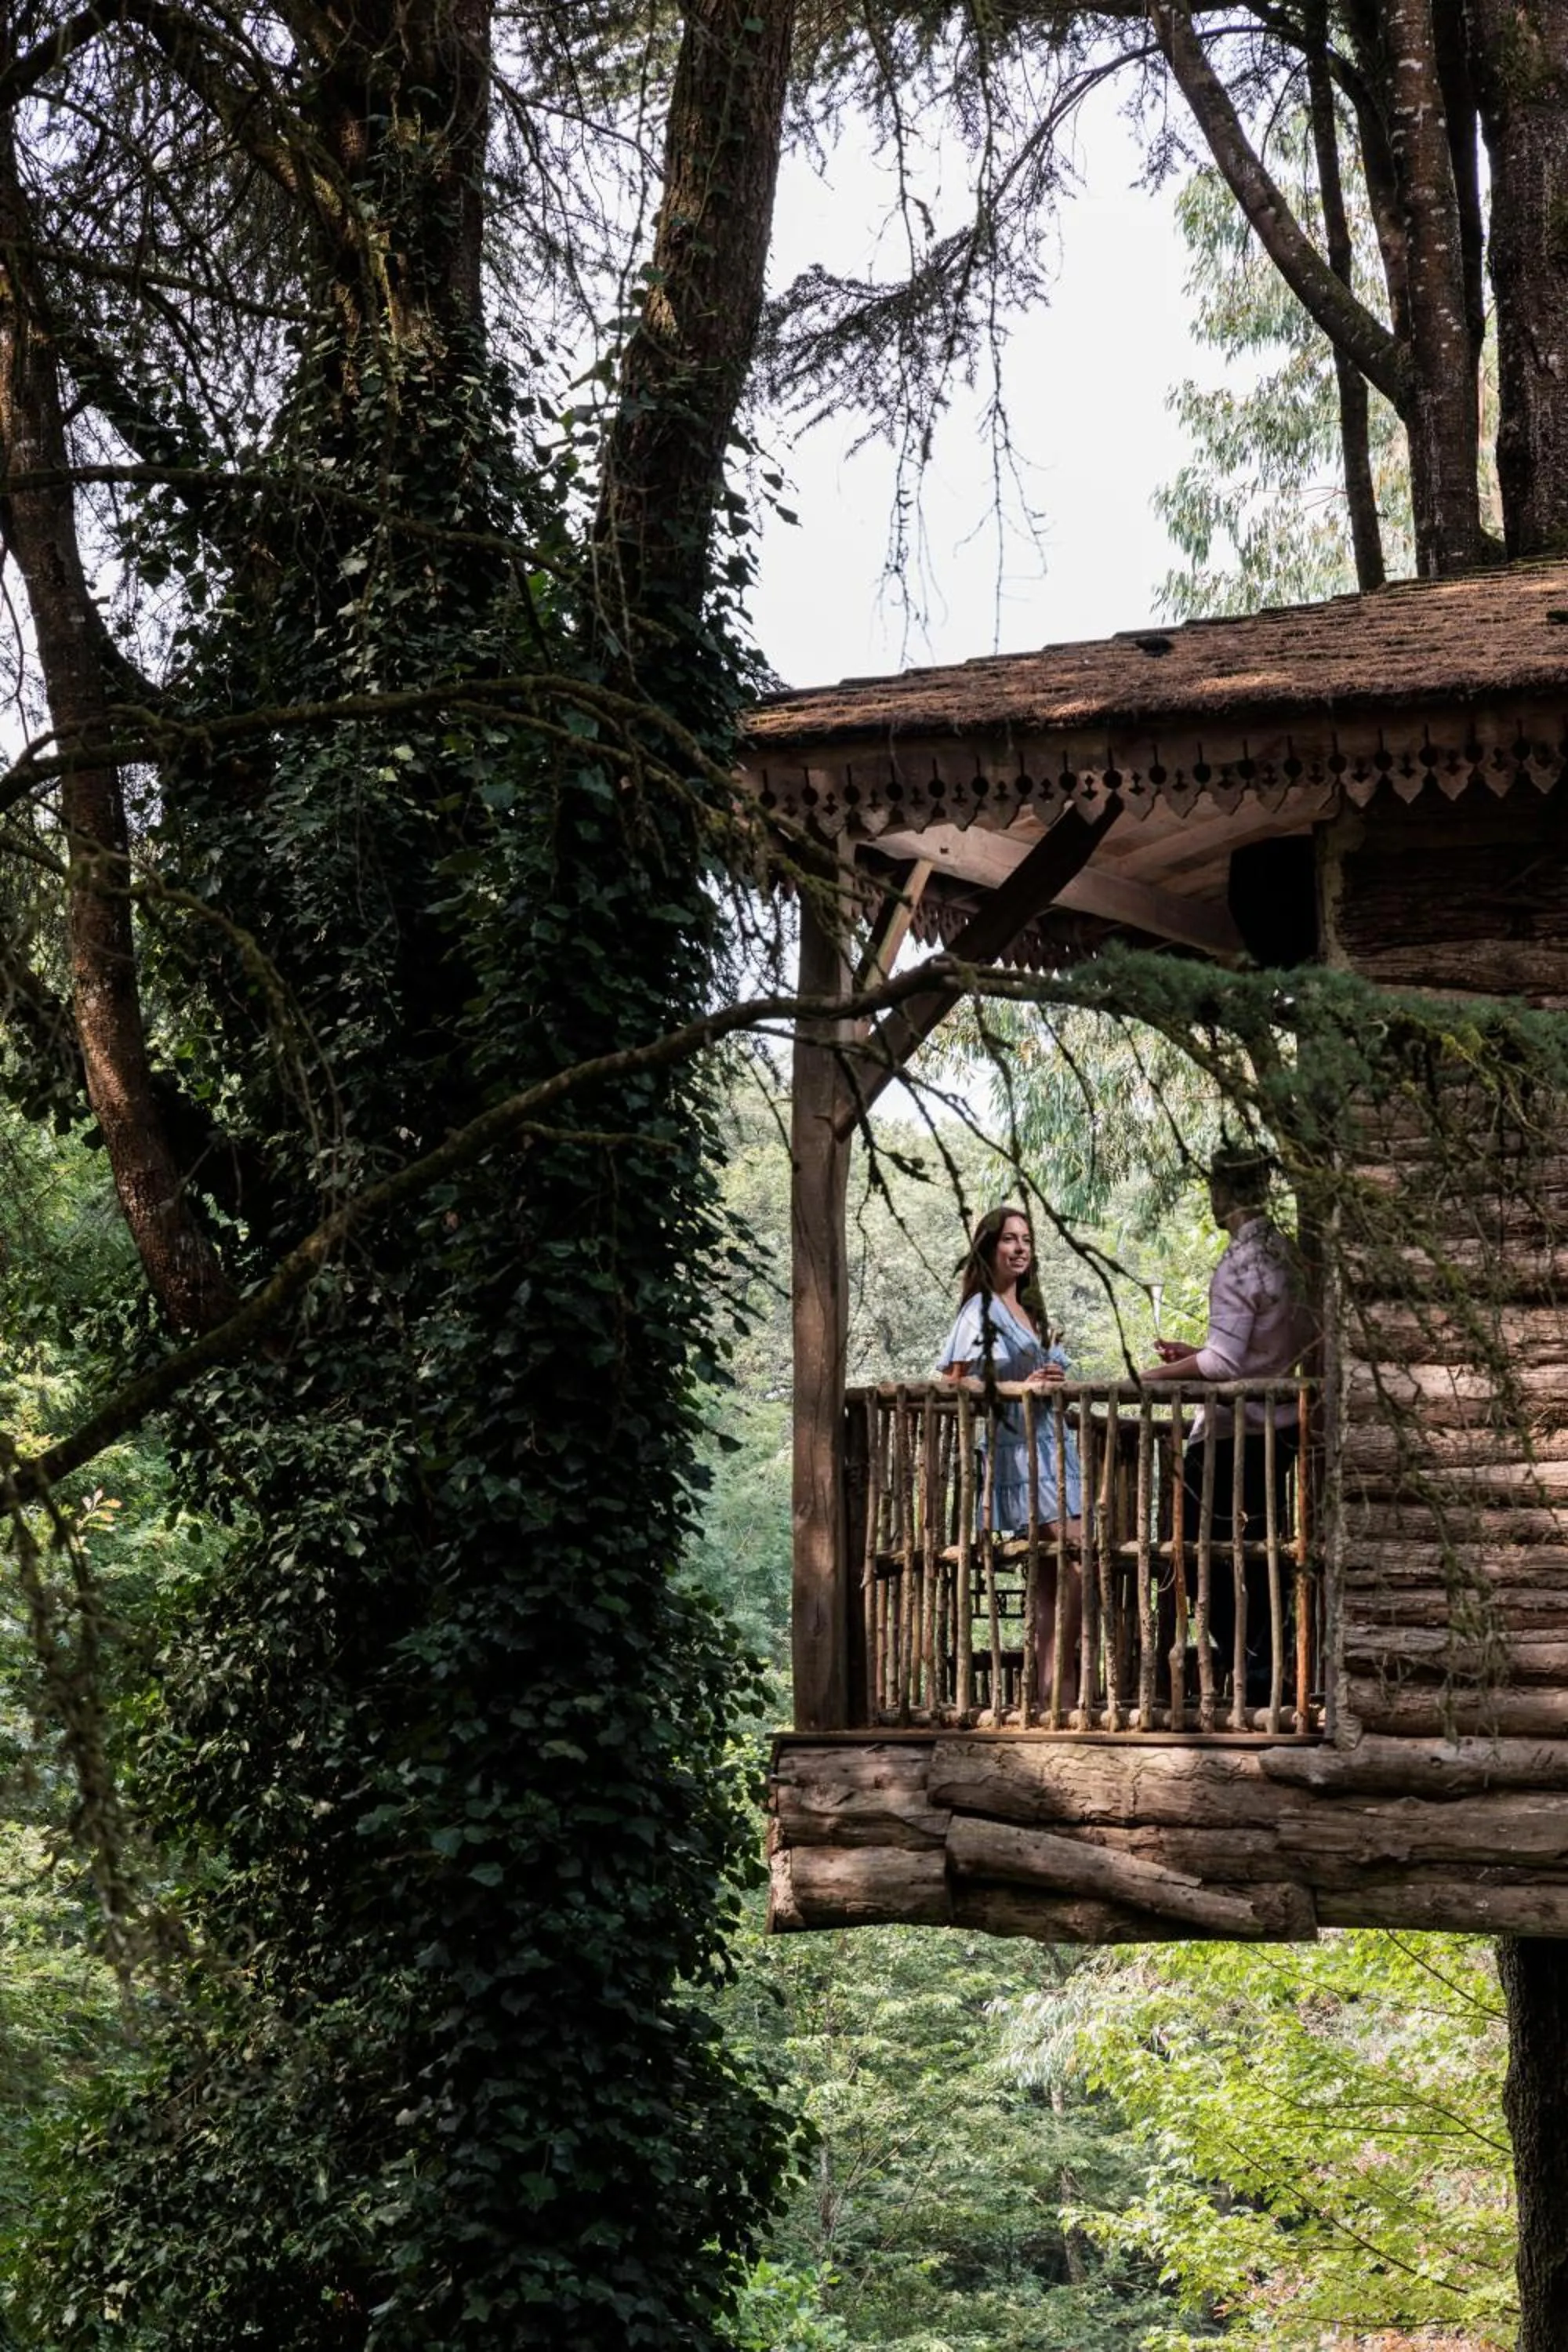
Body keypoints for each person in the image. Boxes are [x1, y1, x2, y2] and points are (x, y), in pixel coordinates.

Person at [1139, 1150, 1314, 1703]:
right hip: (1277, 1428)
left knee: (1199, 1550)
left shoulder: (1239, 1263)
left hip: (1232, 1433)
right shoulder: (1287, 1254)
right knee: (1262, 1550)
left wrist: (1152, 1376)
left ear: (1225, 1193)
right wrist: (1197, 1352)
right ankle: (1268, 1665)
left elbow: (1222, 1366)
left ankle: (1253, 1668)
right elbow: (1259, 1350)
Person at [936, 1204, 1083, 1703]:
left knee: (1055, 1576)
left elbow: (1043, 1376)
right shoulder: (980, 1310)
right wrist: (1021, 1388)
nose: (1020, 1248)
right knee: (1076, 1562)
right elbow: (954, 1381)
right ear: (988, 1247)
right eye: (1009, 1239)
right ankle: (1058, 1689)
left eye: (1027, 1240)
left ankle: (1052, 1696)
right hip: (1020, 1450)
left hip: (1056, 1444)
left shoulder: (1032, 1311)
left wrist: (1053, 1381)